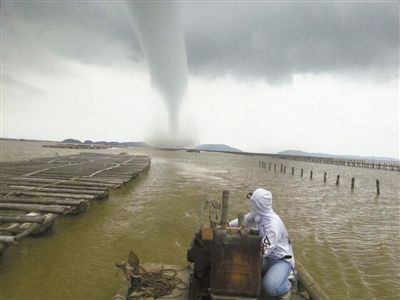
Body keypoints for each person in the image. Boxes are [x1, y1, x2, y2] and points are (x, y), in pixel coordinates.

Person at [228, 188, 295, 300]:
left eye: (253, 202)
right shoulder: (258, 213)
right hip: (267, 257)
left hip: (280, 260)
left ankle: (286, 286)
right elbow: (246, 219)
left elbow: (263, 251)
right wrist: (228, 225)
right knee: (244, 265)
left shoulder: (273, 225)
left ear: (258, 204)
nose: (251, 204)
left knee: (270, 287)